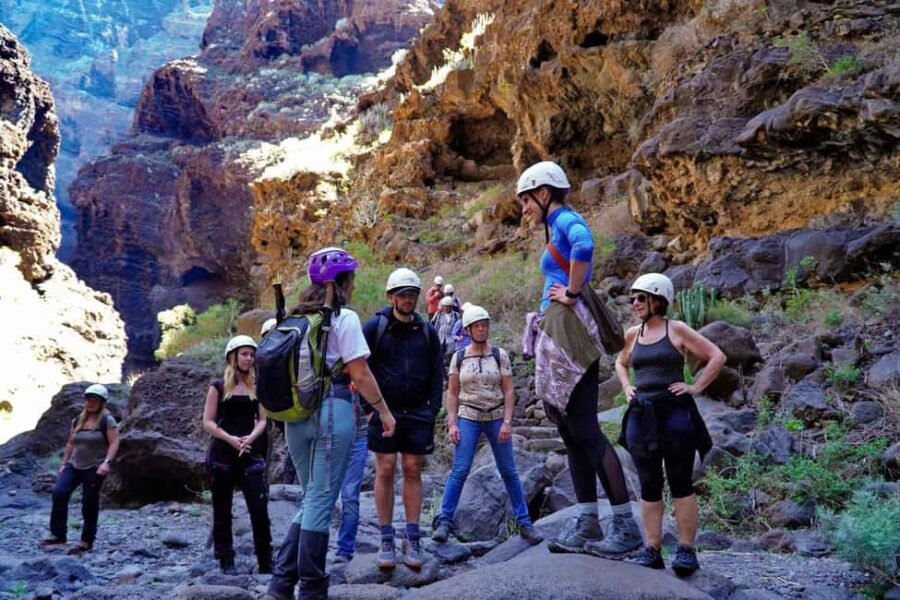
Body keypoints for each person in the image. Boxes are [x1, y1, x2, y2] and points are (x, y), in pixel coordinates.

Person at [516, 161, 642, 556]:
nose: (524, 210)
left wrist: (570, 292)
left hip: (570, 332)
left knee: (585, 429)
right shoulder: (557, 225)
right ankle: (588, 522)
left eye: (526, 201)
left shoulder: (568, 219)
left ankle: (624, 527)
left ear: (544, 192)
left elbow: (585, 245)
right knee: (570, 433)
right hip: (559, 331)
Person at [264, 247, 396, 600]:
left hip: (296, 418)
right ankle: (311, 589)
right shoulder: (344, 318)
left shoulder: (294, 317)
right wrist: (383, 410)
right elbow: (360, 373)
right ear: (343, 282)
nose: (353, 285)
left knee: (311, 498)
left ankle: (280, 583)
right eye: (351, 279)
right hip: (332, 411)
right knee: (321, 500)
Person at [616, 273, 723, 576]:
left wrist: (696, 386)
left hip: (674, 412)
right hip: (641, 413)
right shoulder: (632, 334)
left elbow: (716, 356)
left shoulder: (677, 329)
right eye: (633, 298)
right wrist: (626, 387)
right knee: (649, 484)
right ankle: (652, 549)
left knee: (680, 481)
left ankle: (686, 551)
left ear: (658, 299)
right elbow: (621, 362)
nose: (634, 303)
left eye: (640, 298)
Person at [432, 306, 543, 545]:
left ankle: (525, 523)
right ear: (469, 329)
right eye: (477, 326)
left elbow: (508, 390)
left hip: (495, 416)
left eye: (484, 325)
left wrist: (508, 421)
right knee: (460, 470)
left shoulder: (498, 355)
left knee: (509, 471)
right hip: (468, 415)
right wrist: (452, 424)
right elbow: (452, 393)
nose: (482, 329)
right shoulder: (459, 357)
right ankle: (444, 522)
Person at [363, 268, 442, 570]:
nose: (409, 299)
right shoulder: (375, 327)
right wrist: (368, 406)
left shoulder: (426, 331)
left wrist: (433, 409)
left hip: (418, 412)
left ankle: (412, 537)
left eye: (412, 294)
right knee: (385, 468)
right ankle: (386, 538)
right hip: (383, 410)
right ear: (391, 296)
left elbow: (437, 371)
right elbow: (358, 366)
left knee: (412, 469)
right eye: (403, 294)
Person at [202, 335, 272, 575]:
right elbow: (208, 422)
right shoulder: (218, 386)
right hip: (222, 452)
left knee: (259, 508)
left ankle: (266, 560)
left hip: (249, 452)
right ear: (233, 356)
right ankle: (226, 559)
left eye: (252, 355)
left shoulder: (257, 386)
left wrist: (251, 437)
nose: (249, 358)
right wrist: (230, 439)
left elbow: (263, 419)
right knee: (222, 509)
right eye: (244, 354)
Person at [40, 383, 119, 554]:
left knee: (89, 503)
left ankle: (86, 541)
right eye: (88, 399)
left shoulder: (107, 420)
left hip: (95, 467)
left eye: (94, 400)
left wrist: (107, 462)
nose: (90, 402)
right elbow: (70, 443)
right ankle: (58, 535)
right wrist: (63, 464)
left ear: (102, 402)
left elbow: (114, 443)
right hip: (74, 465)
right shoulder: (78, 420)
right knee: (59, 493)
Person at [333, 383, 369, 564]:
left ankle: (344, 550)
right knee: (323, 496)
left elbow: (372, 399)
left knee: (350, 495)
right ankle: (314, 548)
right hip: (329, 438)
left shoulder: (362, 368)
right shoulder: (324, 367)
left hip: (358, 436)